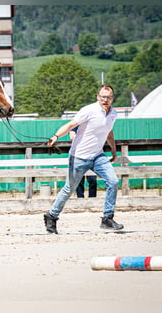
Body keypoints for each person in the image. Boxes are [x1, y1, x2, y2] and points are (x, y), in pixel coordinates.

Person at [43, 84, 123, 234]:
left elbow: (109, 132)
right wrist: (55, 136)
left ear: (113, 98)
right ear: (97, 97)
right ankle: (51, 216)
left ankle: (107, 218)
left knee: (113, 181)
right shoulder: (89, 110)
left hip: (98, 155)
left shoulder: (113, 114)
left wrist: (113, 150)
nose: (105, 100)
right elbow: (71, 124)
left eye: (108, 97)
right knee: (69, 189)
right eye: (102, 97)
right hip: (79, 156)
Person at [69, 127, 97, 198]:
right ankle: (80, 198)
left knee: (92, 180)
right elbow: (72, 136)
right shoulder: (77, 125)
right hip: (79, 155)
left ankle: (92, 199)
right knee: (79, 181)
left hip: (91, 155)